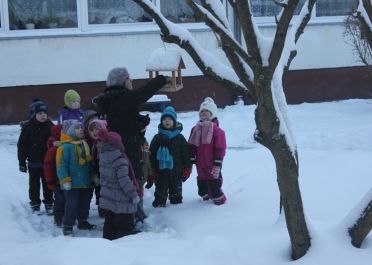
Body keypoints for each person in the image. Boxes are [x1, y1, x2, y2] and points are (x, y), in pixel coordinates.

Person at [92, 67, 168, 187]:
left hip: (121, 146)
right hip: (126, 149)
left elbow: (122, 120)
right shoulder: (123, 98)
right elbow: (143, 93)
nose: (131, 80)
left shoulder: (114, 99)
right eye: (128, 78)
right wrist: (160, 80)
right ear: (121, 81)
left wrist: (138, 123)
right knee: (131, 182)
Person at [97, 127, 142, 240]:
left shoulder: (103, 157)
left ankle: (107, 242)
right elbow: (124, 181)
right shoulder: (120, 160)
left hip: (109, 198)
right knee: (124, 225)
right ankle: (121, 247)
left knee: (109, 222)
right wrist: (134, 195)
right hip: (122, 200)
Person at [56, 119, 97, 236]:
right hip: (72, 183)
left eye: (81, 127)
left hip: (85, 181)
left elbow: (89, 162)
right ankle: (68, 225)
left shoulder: (84, 144)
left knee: (85, 203)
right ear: (70, 131)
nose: (81, 130)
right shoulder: (65, 147)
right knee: (72, 204)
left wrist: (93, 175)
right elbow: (61, 165)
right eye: (77, 128)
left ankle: (82, 221)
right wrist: (65, 180)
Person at [146, 106, 192, 207]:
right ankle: (159, 205)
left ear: (174, 121)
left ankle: (176, 206)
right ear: (161, 121)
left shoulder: (179, 137)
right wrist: (152, 169)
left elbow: (185, 153)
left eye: (170, 119)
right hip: (161, 171)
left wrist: (188, 167)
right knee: (160, 189)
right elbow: (152, 154)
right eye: (165, 119)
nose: (167, 121)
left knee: (176, 190)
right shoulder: (157, 137)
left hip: (177, 171)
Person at [17, 99, 54, 214]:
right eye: (40, 113)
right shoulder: (27, 128)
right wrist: (22, 162)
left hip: (47, 163)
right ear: (33, 114)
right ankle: (35, 203)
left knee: (48, 184)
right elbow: (22, 145)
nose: (43, 115)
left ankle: (49, 203)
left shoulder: (50, 126)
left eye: (45, 113)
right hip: (33, 163)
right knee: (34, 184)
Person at [188, 97, 227, 205]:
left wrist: (218, 161)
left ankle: (219, 198)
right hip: (199, 162)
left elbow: (220, 147)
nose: (204, 113)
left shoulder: (217, 131)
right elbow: (191, 145)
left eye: (207, 111)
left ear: (212, 114)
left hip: (212, 162)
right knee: (202, 183)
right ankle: (206, 196)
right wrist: (191, 156)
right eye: (202, 111)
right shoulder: (195, 129)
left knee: (214, 180)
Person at [44, 124, 65, 226]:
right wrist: (50, 181)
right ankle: (58, 218)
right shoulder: (53, 149)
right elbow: (48, 167)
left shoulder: (67, 146)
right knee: (59, 199)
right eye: (62, 132)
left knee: (67, 199)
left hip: (66, 180)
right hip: (56, 181)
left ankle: (66, 216)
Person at [87, 119, 108, 218]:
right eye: (92, 130)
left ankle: (106, 209)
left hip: (106, 173)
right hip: (96, 172)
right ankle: (102, 209)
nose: (94, 132)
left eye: (97, 129)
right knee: (99, 191)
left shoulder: (106, 144)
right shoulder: (92, 144)